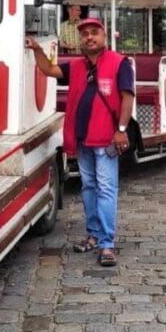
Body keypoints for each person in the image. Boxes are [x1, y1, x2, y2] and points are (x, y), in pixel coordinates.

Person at [26, 18, 135, 267]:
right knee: (88, 188)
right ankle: (94, 235)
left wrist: (121, 129)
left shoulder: (120, 63)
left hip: (107, 138)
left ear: (104, 36)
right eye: (84, 34)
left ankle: (107, 244)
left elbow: (127, 97)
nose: (89, 37)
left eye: (94, 32)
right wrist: (37, 50)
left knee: (106, 189)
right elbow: (49, 70)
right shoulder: (76, 66)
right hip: (83, 139)